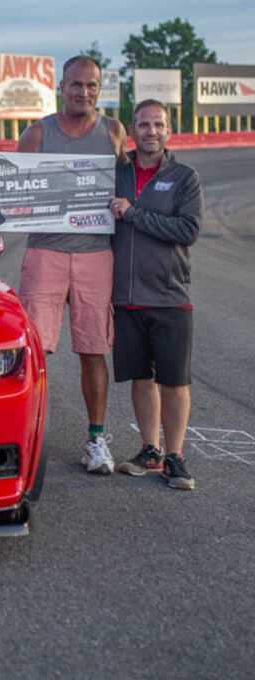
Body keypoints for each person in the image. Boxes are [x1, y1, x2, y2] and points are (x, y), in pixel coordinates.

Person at [17, 56, 127, 474]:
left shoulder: (113, 132)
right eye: (76, 85)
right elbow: (14, 187)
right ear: (62, 86)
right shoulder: (37, 133)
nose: (84, 92)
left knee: (93, 349)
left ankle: (95, 439)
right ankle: (27, 435)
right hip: (45, 251)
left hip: (95, 252)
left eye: (92, 86)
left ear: (100, 89)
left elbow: (125, 184)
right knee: (35, 351)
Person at [109, 99, 203, 489]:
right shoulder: (117, 173)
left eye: (158, 125)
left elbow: (188, 230)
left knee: (174, 380)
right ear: (132, 130)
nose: (151, 131)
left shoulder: (184, 177)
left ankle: (175, 457)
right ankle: (150, 450)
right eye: (144, 125)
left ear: (168, 131)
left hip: (170, 297)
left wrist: (132, 214)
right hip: (127, 298)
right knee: (141, 378)